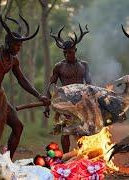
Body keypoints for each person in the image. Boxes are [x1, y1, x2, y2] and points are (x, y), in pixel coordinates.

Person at [0, 15, 50, 158]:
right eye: (16, 45)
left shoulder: (13, 60)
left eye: (20, 46)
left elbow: (22, 80)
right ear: (7, 42)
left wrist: (39, 96)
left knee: (18, 126)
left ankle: (7, 161)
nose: (18, 48)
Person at [44, 24, 92, 153]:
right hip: (65, 103)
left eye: (70, 52)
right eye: (65, 53)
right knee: (65, 131)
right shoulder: (59, 66)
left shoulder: (84, 65)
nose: (67, 55)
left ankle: (82, 156)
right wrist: (46, 104)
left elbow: (89, 85)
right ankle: (65, 157)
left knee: (82, 132)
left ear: (75, 50)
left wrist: (93, 103)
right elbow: (51, 85)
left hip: (81, 103)